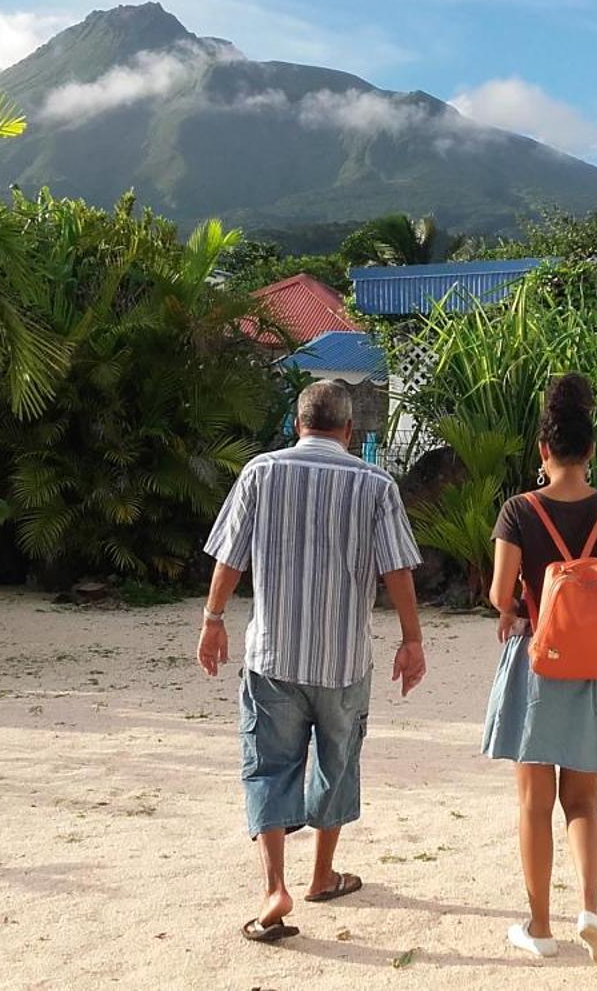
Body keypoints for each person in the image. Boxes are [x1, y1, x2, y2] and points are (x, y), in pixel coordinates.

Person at [198, 380, 427, 945]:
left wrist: (213, 619)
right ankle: (323, 874)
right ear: (350, 431)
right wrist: (411, 639)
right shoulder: (375, 483)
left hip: (273, 654)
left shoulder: (261, 472)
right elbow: (397, 569)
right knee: (337, 760)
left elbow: (231, 555)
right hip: (344, 658)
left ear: (297, 424)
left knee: (268, 764)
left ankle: (275, 887)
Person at [483, 373, 597, 965]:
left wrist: (515, 609)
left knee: (533, 802)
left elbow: (502, 594)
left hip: (536, 663)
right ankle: (591, 909)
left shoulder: (519, 510)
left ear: (543, 450)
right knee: (583, 801)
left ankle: (540, 926)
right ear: (591, 450)